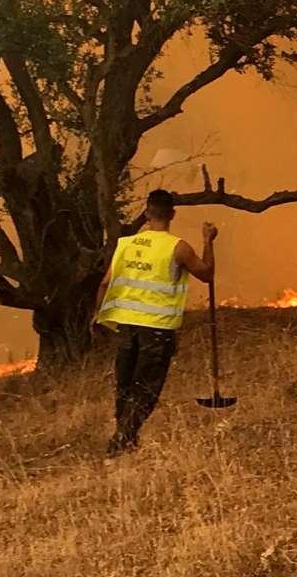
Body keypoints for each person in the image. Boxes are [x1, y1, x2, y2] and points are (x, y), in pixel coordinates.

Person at [92, 189, 217, 457]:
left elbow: (104, 283)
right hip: (157, 328)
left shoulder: (125, 245)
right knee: (147, 387)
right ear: (172, 214)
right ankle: (122, 440)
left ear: (147, 214)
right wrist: (208, 241)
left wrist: (98, 316)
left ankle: (124, 438)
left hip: (127, 326)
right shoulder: (178, 247)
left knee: (125, 385)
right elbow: (206, 274)